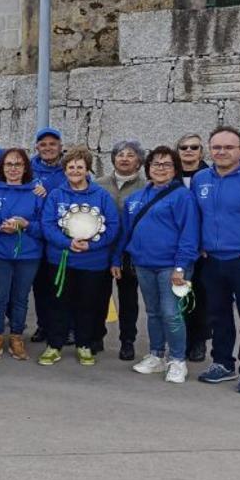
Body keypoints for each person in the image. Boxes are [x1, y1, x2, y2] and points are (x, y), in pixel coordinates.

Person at [193, 126, 240, 395]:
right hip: (212, 261)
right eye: (216, 147)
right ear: (210, 150)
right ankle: (222, 363)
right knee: (218, 315)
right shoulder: (201, 179)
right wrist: (200, 247)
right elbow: (195, 218)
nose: (222, 152)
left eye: (228, 147)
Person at [116, 146, 199, 383]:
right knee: (152, 312)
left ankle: (177, 360)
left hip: (171, 266)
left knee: (171, 314)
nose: (160, 168)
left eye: (167, 164)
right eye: (156, 164)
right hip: (143, 264)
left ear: (175, 169)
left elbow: (189, 234)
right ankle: (156, 355)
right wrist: (118, 258)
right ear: (148, 168)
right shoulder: (136, 198)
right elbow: (126, 233)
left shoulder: (182, 196)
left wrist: (181, 267)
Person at [37, 147, 120, 368]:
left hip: (92, 263)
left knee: (87, 305)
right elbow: (47, 225)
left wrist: (92, 245)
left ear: (87, 169)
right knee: (58, 304)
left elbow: (112, 226)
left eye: (79, 167)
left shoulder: (101, 196)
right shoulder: (56, 195)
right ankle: (54, 345)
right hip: (61, 260)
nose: (75, 170)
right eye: (71, 167)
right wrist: (68, 243)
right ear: (65, 170)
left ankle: (84, 344)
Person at [0, 148, 44, 361]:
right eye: (9, 164)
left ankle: (16, 336)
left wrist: (25, 225)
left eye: (18, 164)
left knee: (20, 297)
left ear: (25, 168)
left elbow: (46, 226)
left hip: (28, 254)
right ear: (1, 167)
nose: (13, 169)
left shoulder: (36, 193)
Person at [97, 140, 147, 360]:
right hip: (101, 247)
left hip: (130, 251)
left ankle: (128, 340)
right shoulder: (99, 184)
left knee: (128, 298)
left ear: (139, 161)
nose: (124, 158)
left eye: (130, 155)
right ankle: (96, 335)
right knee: (97, 295)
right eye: (120, 155)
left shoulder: (146, 188)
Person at [29, 128, 66, 345]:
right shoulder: (29, 170)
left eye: (53, 144)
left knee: (62, 286)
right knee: (41, 286)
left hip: (63, 237)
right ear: (37, 148)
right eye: (43, 144)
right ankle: (43, 325)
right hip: (37, 237)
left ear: (60, 147)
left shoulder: (69, 168)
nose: (48, 148)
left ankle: (65, 327)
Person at [177, 132, 211, 361]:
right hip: (178, 248)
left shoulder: (212, 176)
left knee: (202, 296)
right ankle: (181, 340)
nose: (189, 151)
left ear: (201, 151)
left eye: (194, 147)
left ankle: (199, 341)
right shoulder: (170, 177)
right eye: (184, 147)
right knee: (180, 295)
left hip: (205, 250)